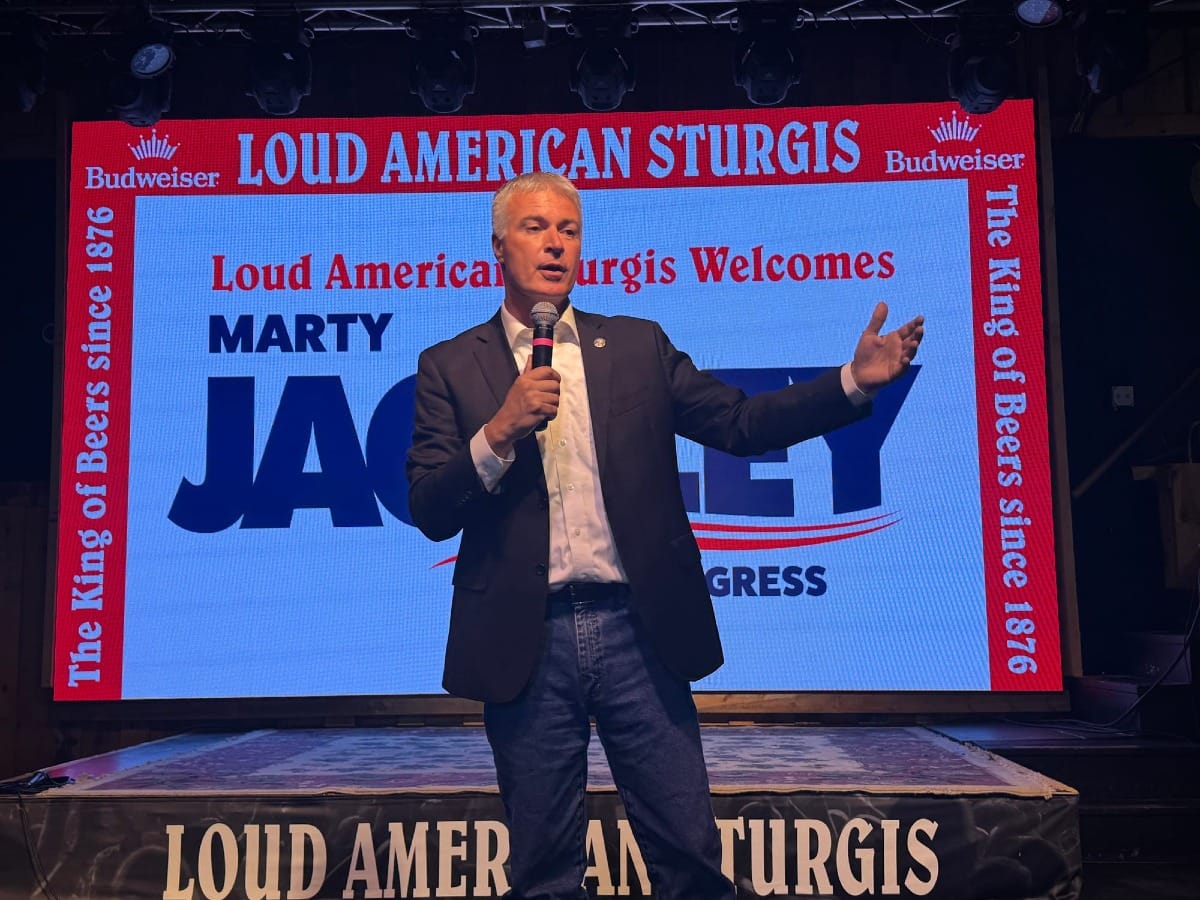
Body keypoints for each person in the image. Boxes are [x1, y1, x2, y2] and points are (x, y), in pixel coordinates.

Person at [406, 172, 924, 900]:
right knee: (543, 874)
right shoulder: (451, 366)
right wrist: (497, 432)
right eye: (535, 227)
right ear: (497, 246)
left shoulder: (638, 347)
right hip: (525, 642)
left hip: (637, 632)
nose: (556, 242)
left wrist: (852, 382)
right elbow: (429, 504)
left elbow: (740, 424)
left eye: (570, 229)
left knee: (689, 857)